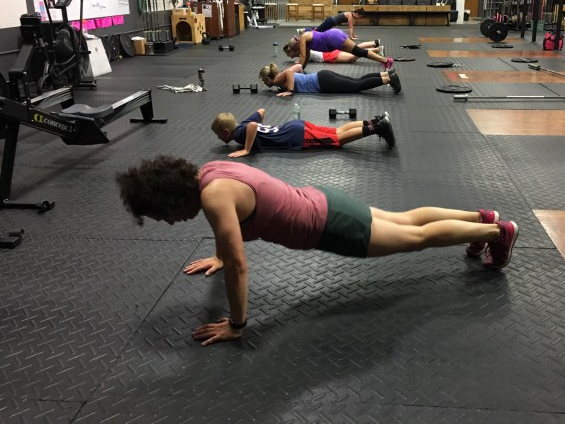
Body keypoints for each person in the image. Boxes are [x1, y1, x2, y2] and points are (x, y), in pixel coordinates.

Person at [116, 156, 519, 346]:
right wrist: (220, 255)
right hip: (324, 202)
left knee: (417, 238)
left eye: (162, 215)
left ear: (170, 200)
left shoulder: (213, 198)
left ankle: (497, 232)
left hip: (330, 226)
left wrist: (237, 325)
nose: (168, 223)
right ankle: (480, 218)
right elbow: (233, 231)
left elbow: (239, 267)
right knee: (408, 220)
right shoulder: (209, 173)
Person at [211, 108, 396, 155]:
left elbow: (252, 127)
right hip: (294, 125)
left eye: (218, 135)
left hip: (296, 137)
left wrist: (246, 149)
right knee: (337, 130)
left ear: (226, 132)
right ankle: (375, 120)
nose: (219, 139)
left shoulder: (238, 135)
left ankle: (377, 127)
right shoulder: (242, 123)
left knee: (337, 140)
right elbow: (261, 111)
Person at [258, 62, 401, 95]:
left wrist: (290, 90)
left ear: (268, 78)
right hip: (322, 76)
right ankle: (387, 74)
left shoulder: (277, 79)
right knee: (357, 81)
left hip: (322, 82)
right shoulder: (280, 78)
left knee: (356, 86)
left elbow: (290, 72)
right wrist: (303, 76)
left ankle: (389, 79)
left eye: (264, 81)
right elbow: (299, 66)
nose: (265, 83)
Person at [285, 29, 393, 70]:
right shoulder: (305, 42)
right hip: (332, 38)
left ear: (297, 44)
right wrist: (302, 69)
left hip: (333, 38)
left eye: (296, 49)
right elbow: (306, 57)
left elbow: (303, 56)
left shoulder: (303, 38)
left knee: (359, 52)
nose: (298, 51)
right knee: (358, 51)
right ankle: (384, 59)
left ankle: (385, 60)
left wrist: (295, 72)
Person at [287, 40, 384, 65]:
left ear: (292, 50)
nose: (289, 56)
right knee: (355, 50)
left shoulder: (302, 52)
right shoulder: (302, 53)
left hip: (327, 55)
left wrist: (299, 63)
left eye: (289, 54)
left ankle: (377, 49)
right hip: (327, 54)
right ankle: (376, 47)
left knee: (353, 56)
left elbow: (303, 58)